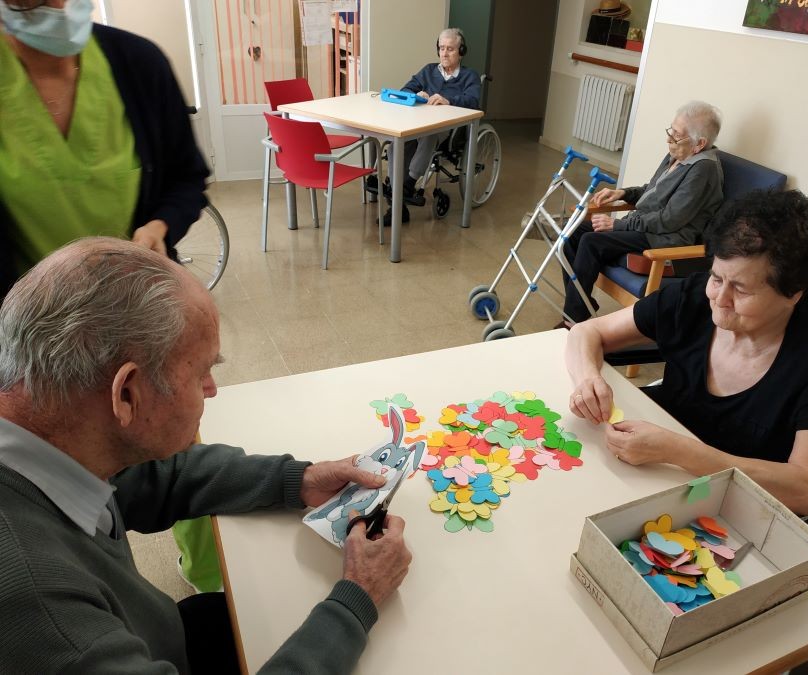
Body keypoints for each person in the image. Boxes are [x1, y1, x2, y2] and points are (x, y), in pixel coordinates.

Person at [0, 238, 413, 673]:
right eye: (201, 373)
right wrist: (356, 599)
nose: (212, 390)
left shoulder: (52, 426)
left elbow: (154, 477)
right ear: (126, 395)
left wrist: (297, 479)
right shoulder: (37, 608)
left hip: (157, 632)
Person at [565, 190, 808, 516]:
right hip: (654, 470)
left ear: (793, 294)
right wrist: (588, 379)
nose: (719, 300)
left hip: (737, 504)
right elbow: (586, 332)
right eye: (717, 278)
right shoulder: (694, 295)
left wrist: (681, 452)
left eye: (741, 290)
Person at [0, 0, 209, 298]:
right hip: (26, 313)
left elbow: (187, 178)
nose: (60, 8)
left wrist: (159, 226)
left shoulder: (139, 63)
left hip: (137, 298)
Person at [561, 101, 724, 324]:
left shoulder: (703, 170)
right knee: (571, 232)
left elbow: (670, 220)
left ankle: (572, 320)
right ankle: (581, 307)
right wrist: (622, 193)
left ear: (699, 144)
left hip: (668, 239)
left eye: (676, 135)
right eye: (671, 131)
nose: (669, 139)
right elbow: (653, 191)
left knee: (591, 241)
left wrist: (618, 225)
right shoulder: (678, 155)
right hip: (648, 227)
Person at [378, 27, 481, 226]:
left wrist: (448, 100)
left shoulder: (470, 76)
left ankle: (408, 185)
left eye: (450, 49)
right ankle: (397, 204)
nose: (444, 53)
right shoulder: (428, 70)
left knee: (428, 134)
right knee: (396, 145)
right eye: (441, 48)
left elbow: (473, 100)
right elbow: (405, 89)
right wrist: (417, 95)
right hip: (419, 124)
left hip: (449, 130)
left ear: (461, 52)